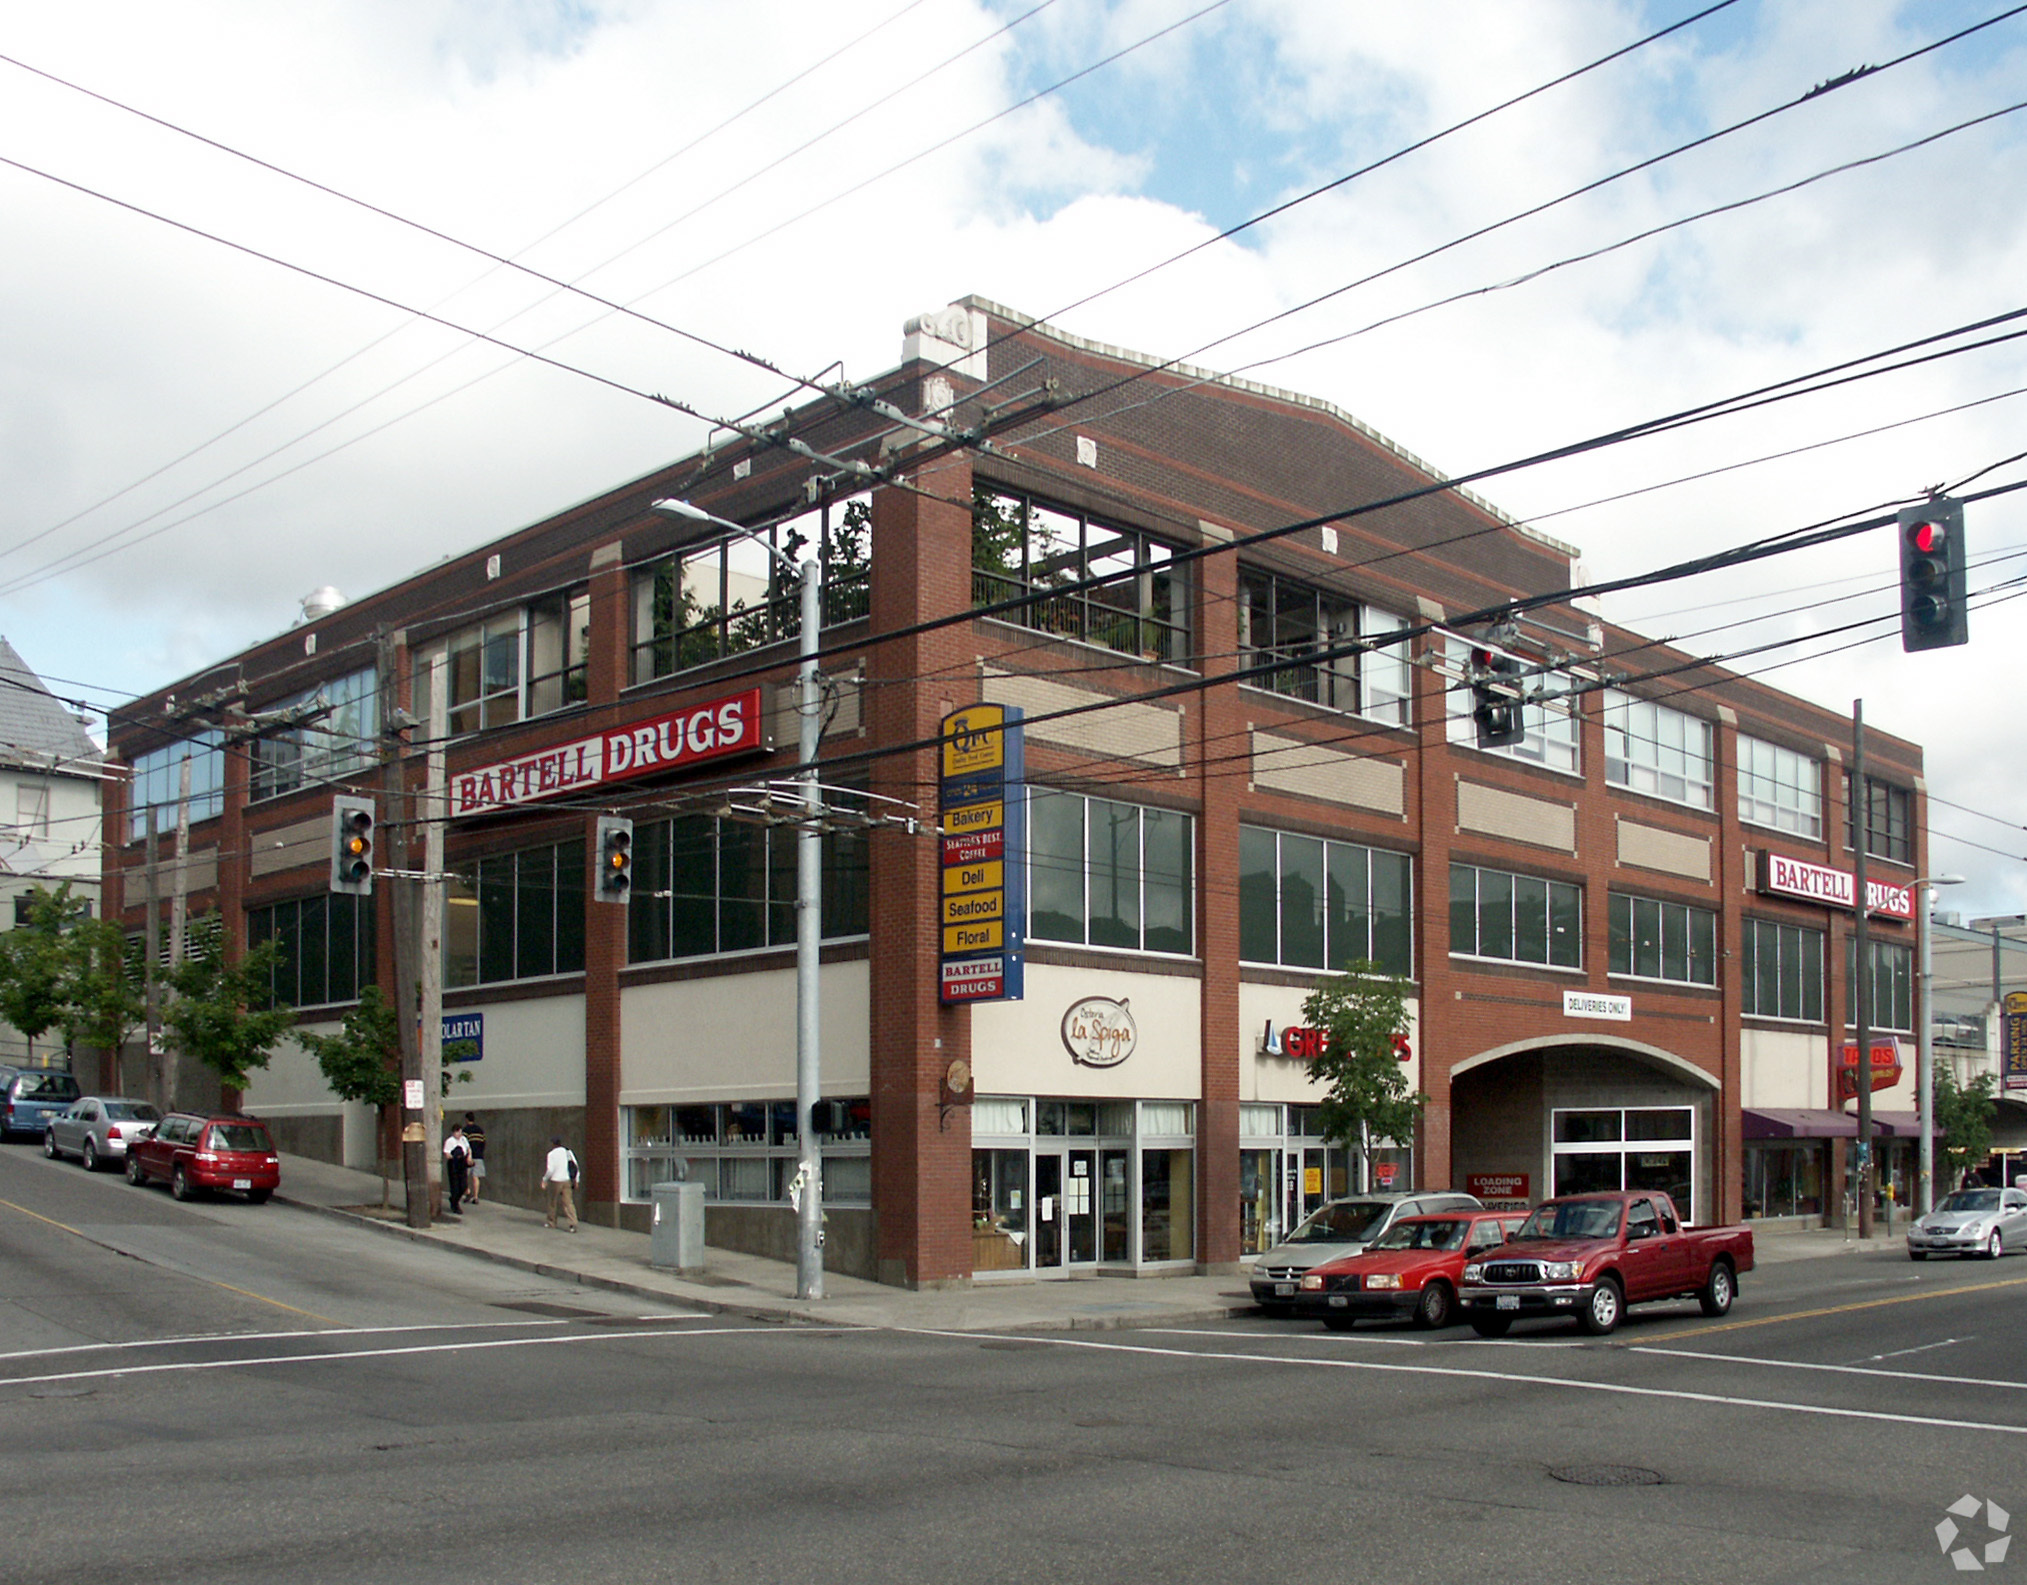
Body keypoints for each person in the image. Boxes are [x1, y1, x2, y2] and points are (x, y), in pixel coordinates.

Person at [542, 1135, 579, 1232]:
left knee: (552, 1202)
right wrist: (576, 1180)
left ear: (553, 1144)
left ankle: (551, 1222)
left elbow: (550, 1170)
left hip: (555, 1181)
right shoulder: (567, 1152)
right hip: (566, 1180)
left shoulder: (551, 1154)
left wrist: (545, 1180)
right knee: (568, 1203)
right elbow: (575, 1166)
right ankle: (573, 1224)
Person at [442, 1122, 470, 1217]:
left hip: (462, 1163)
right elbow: (447, 1154)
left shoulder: (463, 1140)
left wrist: (469, 1157)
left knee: (463, 1185)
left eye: (460, 1132)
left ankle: (455, 1199)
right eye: (457, 1132)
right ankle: (455, 1203)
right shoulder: (450, 1141)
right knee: (455, 1186)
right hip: (454, 1164)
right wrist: (454, 1158)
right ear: (453, 1132)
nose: (459, 1134)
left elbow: (468, 1149)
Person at [462, 1112, 487, 1205]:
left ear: (466, 1119)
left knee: (464, 1175)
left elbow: (464, 1144)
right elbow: (483, 1142)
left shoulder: (466, 1130)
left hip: (469, 1156)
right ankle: (476, 1197)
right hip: (479, 1156)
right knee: (475, 1177)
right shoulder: (480, 1130)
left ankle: (468, 1192)